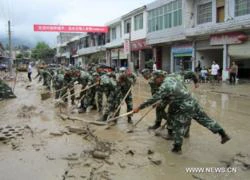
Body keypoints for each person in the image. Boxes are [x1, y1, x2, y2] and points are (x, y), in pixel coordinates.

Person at [133, 72, 230, 154]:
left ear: (161, 77)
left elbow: (153, 98)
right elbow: (189, 75)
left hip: (183, 106)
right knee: (205, 120)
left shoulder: (165, 86)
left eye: (156, 79)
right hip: (192, 101)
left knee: (178, 125)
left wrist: (139, 108)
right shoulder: (174, 76)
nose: (154, 81)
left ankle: (177, 148)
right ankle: (223, 134)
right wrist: (196, 82)